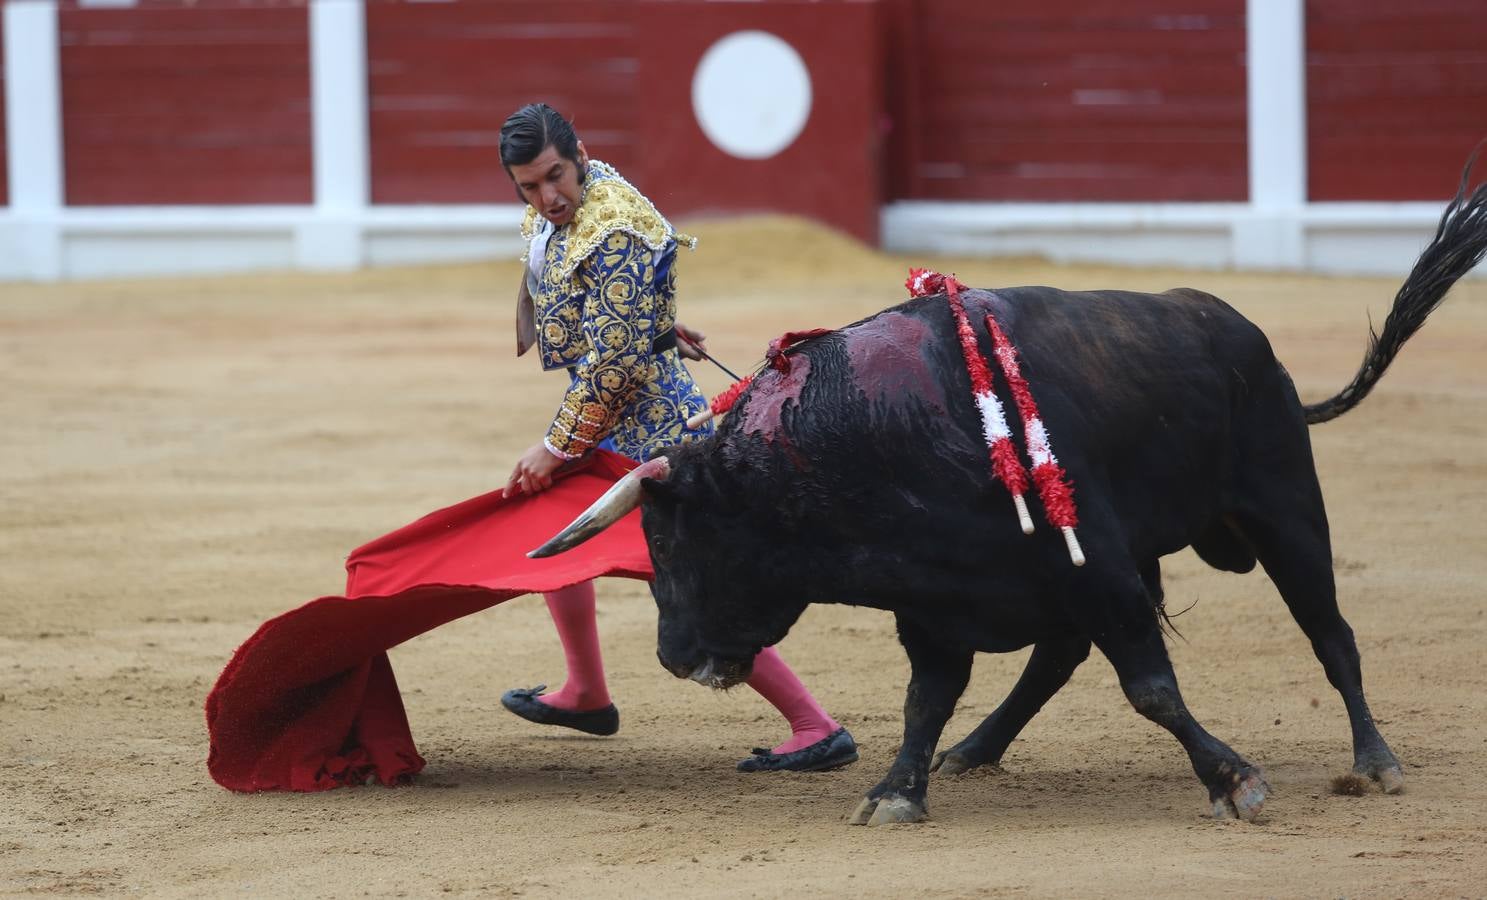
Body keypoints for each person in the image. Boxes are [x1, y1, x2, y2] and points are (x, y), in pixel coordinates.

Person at [495, 103, 857, 773]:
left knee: (696, 585)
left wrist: (555, 444)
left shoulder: (616, 226)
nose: (548, 199)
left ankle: (815, 725)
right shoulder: (585, 199)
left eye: (554, 178)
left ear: (578, 151)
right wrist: (655, 317)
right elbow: (609, 302)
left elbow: (614, 366)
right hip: (613, 423)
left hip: (654, 432)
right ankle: (584, 691)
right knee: (550, 537)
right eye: (529, 188)